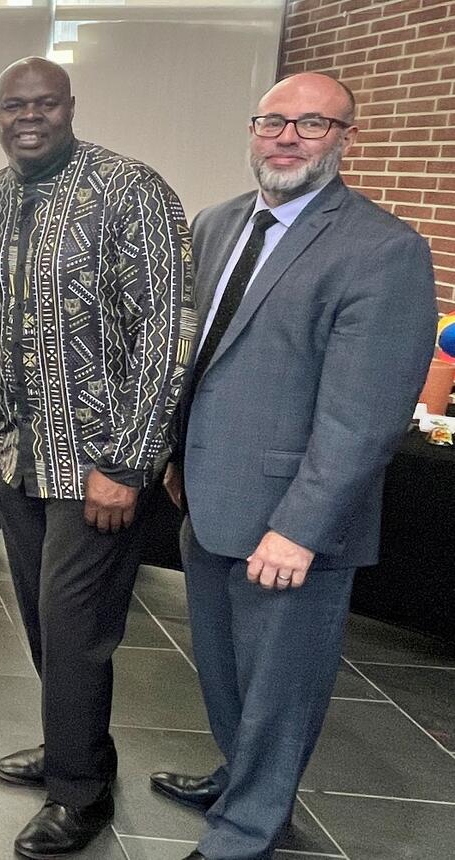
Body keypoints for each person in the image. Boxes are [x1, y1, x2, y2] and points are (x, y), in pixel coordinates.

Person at [151, 73, 436, 860]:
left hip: (291, 523)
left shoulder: (383, 250)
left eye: (311, 124)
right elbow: (197, 358)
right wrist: (176, 456)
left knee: (281, 689)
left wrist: (300, 528)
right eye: (272, 121)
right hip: (208, 497)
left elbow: (364, 417)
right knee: (223, 671)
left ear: (348, 137)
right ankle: (239, 777)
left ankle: (248, 831)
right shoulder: (215, 225)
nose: (286, 137)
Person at [0, 57, 193, 857]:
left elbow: (167, 335)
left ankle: (79, 795)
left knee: (75, 626)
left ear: (69, 108)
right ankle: (76, 750)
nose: (31, 116)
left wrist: (128, 463)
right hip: (19, 462)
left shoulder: (133, 191)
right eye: (15, 105)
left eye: (46, 104)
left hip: (96, 467)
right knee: (41, 621)